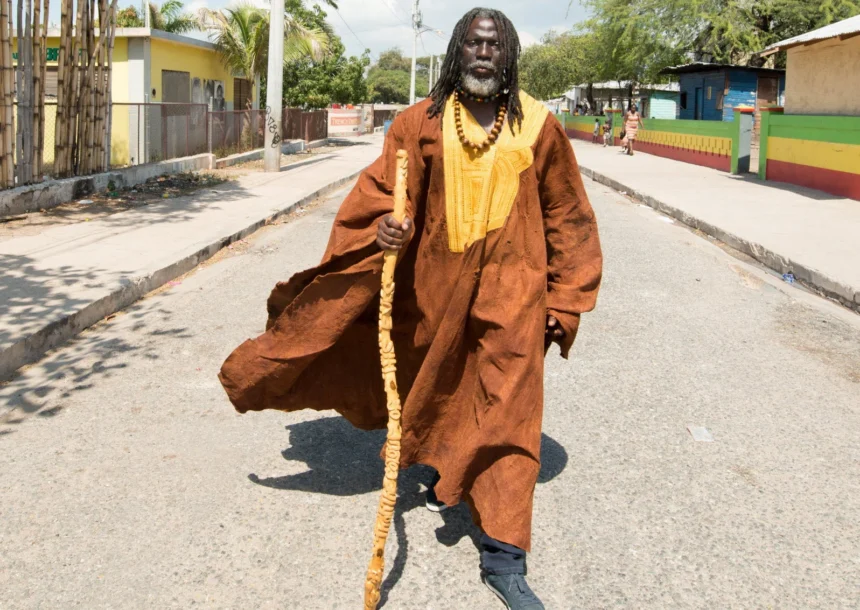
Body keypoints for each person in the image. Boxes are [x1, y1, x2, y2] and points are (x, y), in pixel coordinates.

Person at [218, 7, 602, 609]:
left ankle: (504, 554)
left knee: (508, 410)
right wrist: (387, 232)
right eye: (473, 44)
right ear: (457, 51)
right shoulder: (418, 123)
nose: (483, 54)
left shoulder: (540, 126)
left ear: (509, 55)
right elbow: (383, 201)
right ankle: (443, 464)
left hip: (515, 296)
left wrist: (567, 295)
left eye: (494, 45)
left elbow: (567, 214)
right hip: (434, 294)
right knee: (440, 386)